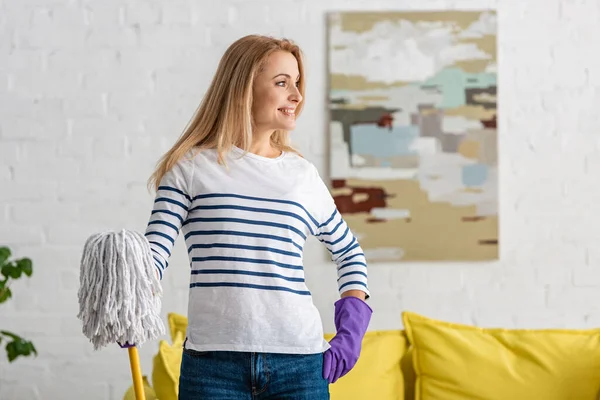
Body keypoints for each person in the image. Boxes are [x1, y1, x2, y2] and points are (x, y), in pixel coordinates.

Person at [144, 34, 372, 400]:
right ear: (243, 88)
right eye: (282, 83)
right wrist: (127, 297)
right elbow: (153, 255)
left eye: (297, 83)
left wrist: (351, 330)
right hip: (212, 367)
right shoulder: (189, 169)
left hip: (300, 365)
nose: (297, 96)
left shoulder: (301, 175)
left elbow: (349, 252)